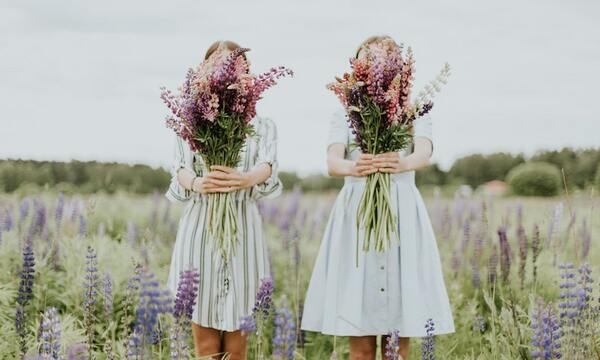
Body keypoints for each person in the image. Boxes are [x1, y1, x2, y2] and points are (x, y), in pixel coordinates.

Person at [301, 35, 455, 360]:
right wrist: (355, 167)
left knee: (398, 340)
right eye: (367, 59)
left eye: (381, 59)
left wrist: (401, 162)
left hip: (400, 209)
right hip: (357, 211)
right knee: (359, 340)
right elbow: (332, 162)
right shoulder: (345, 110)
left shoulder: (413, 108)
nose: (373, 65)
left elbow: (425, 151)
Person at [165, 40, 282, 360]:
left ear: (246, 73)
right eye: (217, 63)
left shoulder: (261, 124)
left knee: (237, 347)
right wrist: (199, 183)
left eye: (234, 64)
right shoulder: (190, 121)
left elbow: (268, 165)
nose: (226, 70)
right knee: (204, 347)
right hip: (200, 227)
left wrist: (246, 179)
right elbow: (178, 169)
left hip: (242, 228)